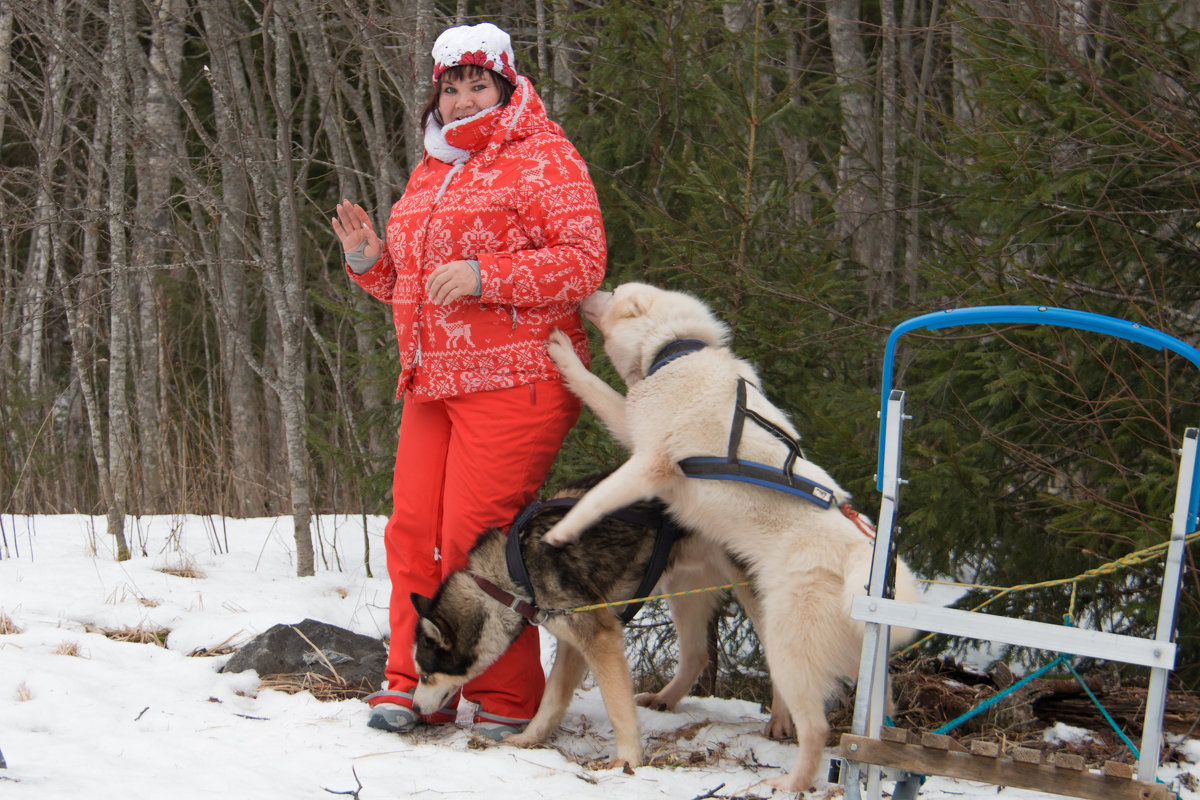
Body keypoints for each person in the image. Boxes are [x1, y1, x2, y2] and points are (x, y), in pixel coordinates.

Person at [331, 21, 606, 739]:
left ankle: (509, 698)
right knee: (413, 533)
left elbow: (582, 262)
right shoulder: (435, 166)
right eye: (449, 88)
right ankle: (415, 680)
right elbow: (421, 288)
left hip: (516, 378)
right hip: (432, 381)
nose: (459, 99)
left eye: (475, 84)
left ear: (506, 84)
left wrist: (490, 276)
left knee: (475, 543)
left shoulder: (545, 155)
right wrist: (371, 264)